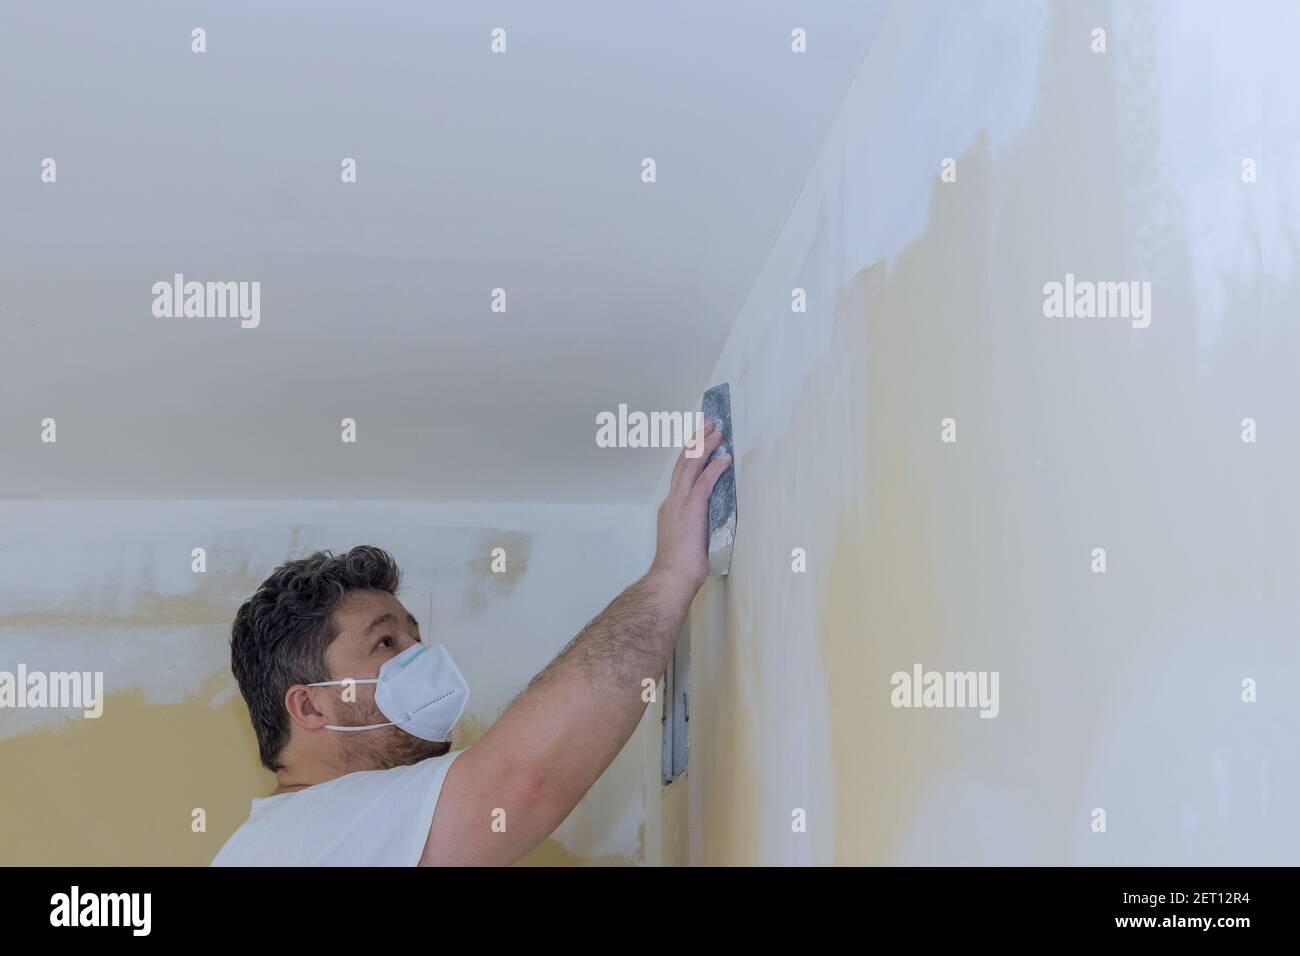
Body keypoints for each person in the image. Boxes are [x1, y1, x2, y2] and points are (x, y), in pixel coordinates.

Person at [212, 422, 730, 865]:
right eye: (385, 643)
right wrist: (672, 573)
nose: (420, 657)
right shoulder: (313, 831)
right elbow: (522, 781)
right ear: (309, 704)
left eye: (416, 636)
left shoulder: (301, 838)